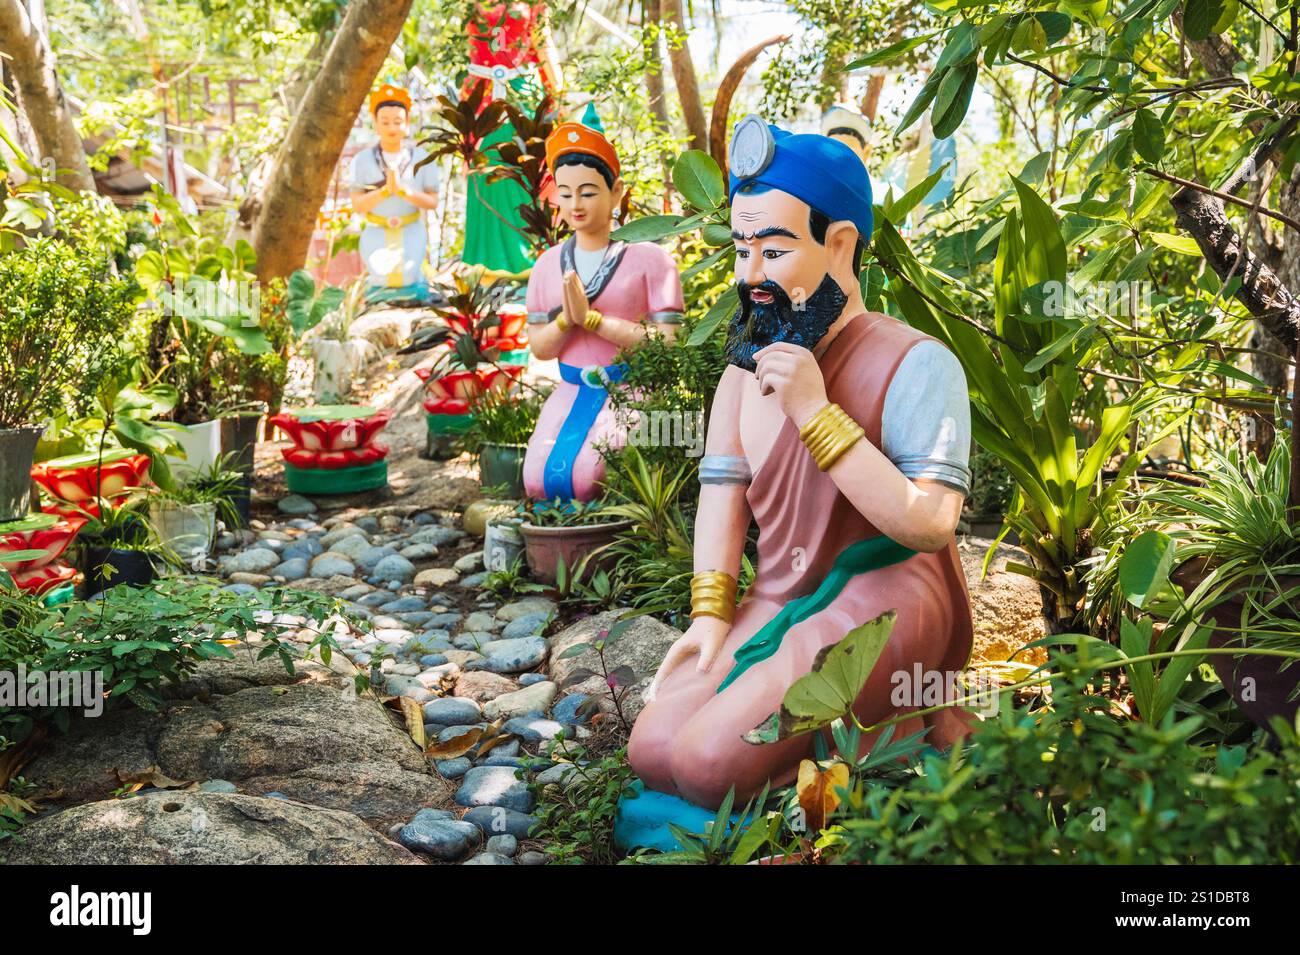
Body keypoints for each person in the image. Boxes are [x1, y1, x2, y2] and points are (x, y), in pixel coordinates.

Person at [625, 114, 976, 816]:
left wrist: (816, 413)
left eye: (775, 252)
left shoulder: (917, 363)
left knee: (706, 761)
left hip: (890, 592)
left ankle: (881, 744)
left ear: (840, 245)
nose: (751, 276)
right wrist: (709, 617)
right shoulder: (739, 377)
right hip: (783, 595)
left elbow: (931, 524)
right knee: (654, 748)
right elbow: (723, 499)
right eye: (740, 249)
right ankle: (814, 757)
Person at [521, 109, 684, 502]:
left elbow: (668, 343)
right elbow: (540, 348)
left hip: (632, 388)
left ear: (616, 192)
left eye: (589, 191)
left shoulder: (650, 261)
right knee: (537, 478)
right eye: (565, 191)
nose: (575, 203)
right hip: (571, 386)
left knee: (588, 475)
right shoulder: (547, 266)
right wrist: (565, 324)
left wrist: (593, 320)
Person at [349, 84, 441, 302]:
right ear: (375, 123)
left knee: (409, 275)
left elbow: (433, 201)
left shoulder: (421, 157)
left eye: (398, 121)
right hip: (376, 231)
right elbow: (358, 205)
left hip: (411, 228)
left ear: (407, 123)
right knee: (381, 278)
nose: (392, 127)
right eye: (385, 121)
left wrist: (404, 191)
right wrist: (384, 192)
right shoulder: (361, 160)